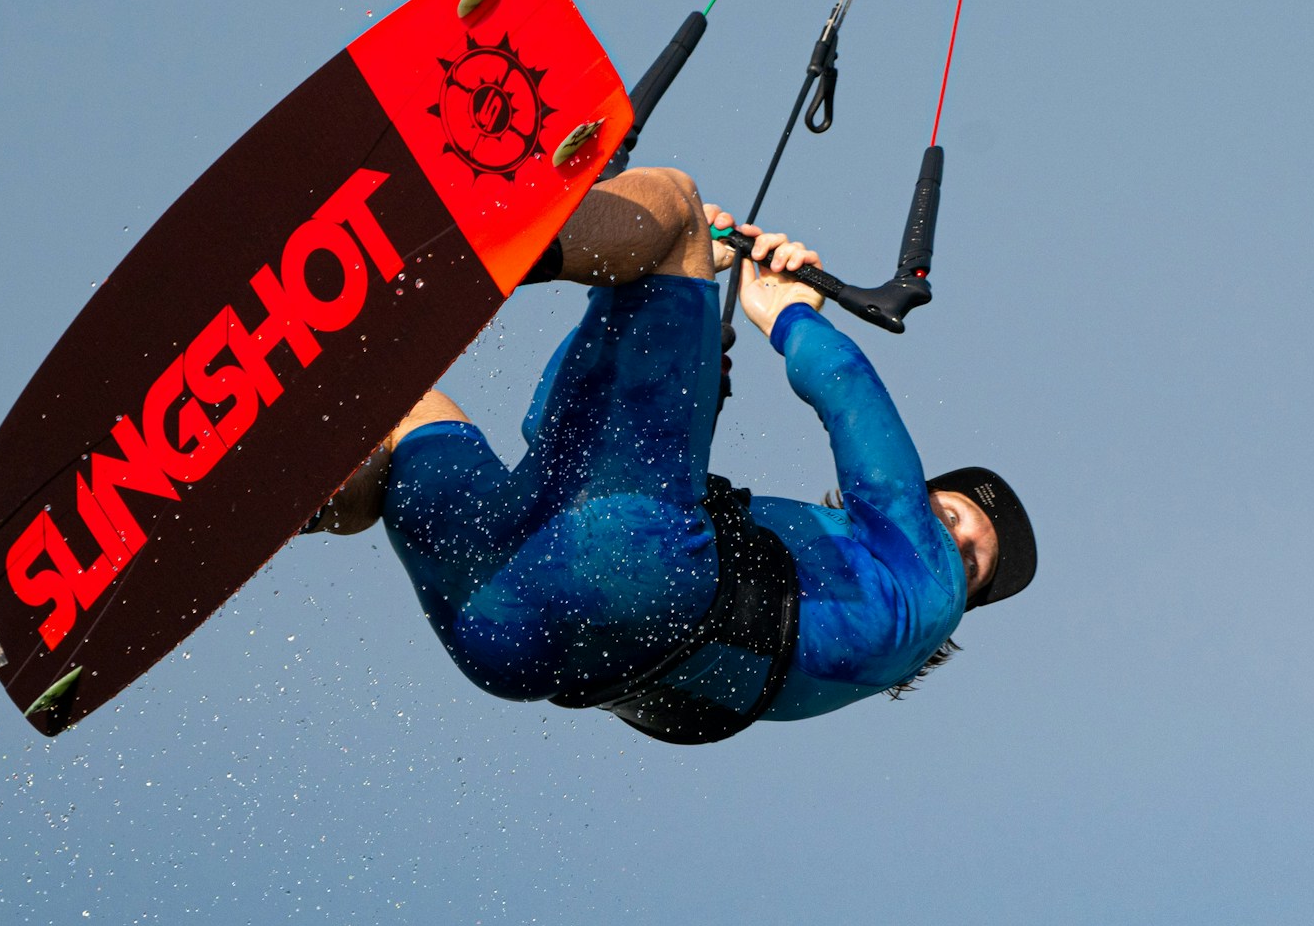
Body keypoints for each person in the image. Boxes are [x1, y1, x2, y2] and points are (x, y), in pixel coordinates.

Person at [316, 167, 1036, 742]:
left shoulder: (925, 597)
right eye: (956, 512)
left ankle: (494, 239)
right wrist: (677, 344)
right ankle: (315, 494)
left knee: (679, 206)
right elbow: (557, 436)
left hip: (622, 574)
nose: (960, 537)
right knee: (408, 409)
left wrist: (785, 314)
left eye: (974, 556)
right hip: (508, 635)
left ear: (962, 600)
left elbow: (854, 402)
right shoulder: (842, 632)